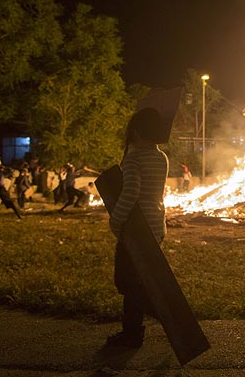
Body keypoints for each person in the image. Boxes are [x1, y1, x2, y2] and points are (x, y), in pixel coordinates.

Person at [107, 107, 168, 348]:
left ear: (136, 131)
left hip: (137, 230)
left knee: (125, 281)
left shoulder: (134, 158)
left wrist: (116, 220)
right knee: (138, 281)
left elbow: (131, 193)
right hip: (156, 226)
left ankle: (163, 313)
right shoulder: (161, 157)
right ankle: (132, 333)